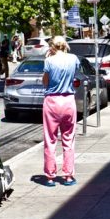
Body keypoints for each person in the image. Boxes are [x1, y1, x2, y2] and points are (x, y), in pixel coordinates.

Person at [41, 35, 81, 187]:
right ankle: (68, 176)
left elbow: (45, 82)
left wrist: (48, 59)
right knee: (68, 139)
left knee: (50, 139)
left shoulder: (49, 61)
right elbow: (75, 74)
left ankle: (50, 176)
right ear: (64, 45)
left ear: (52, 46)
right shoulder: (73, 58)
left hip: (52, 101)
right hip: (68, 100)